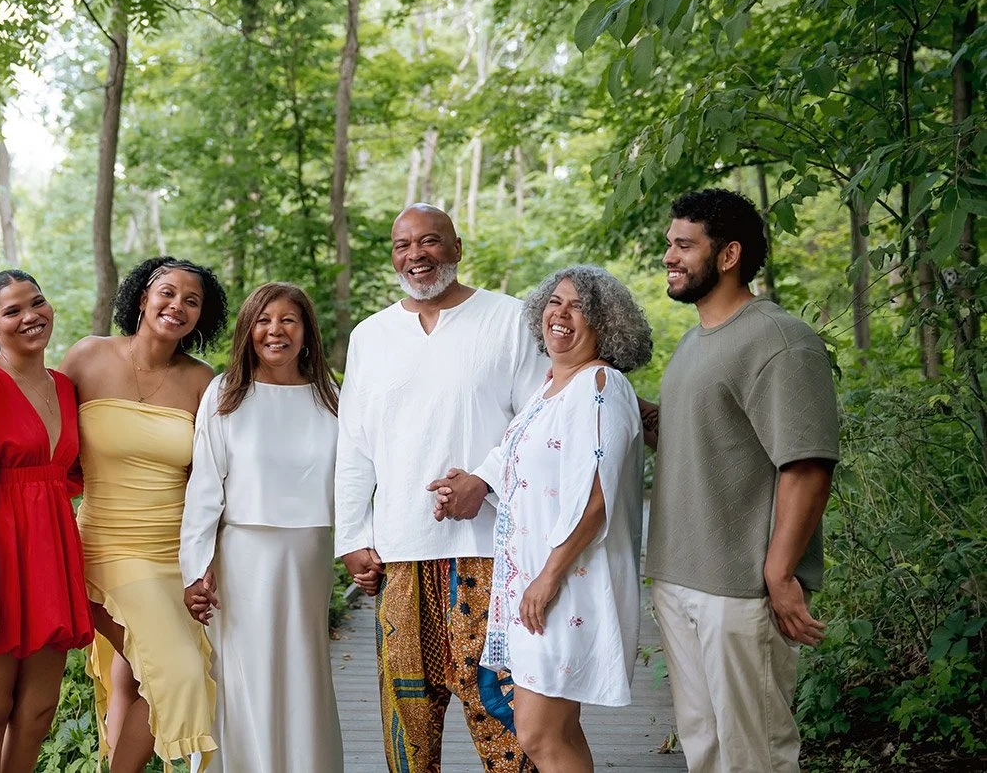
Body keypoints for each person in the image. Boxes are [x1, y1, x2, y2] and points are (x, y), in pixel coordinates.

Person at [336, 204, 549, 773]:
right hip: (402, 555)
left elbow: (540, 421)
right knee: (409, 725)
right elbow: (355, 446)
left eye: (429, 242)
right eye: (403, 245)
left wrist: (485, 479)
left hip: (491, 554)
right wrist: (353, 535)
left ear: (456, 246)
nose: (416, 255)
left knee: (502, 709)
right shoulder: (370, 337)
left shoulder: (510, 320)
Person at [645, 189, 840, 773]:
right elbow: (700, 439)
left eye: (684, 245)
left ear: (728, 255)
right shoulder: (695, 341)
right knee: (704, 748)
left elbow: (805, 465)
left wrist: (779, 573)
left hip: (739, 587)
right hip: (681, 575)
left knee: (754, 754)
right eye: (669, 244)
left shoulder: (778, 340)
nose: (669, 257)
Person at [463, 265, 652, 772]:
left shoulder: (599, 384)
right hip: (537, 580)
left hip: (569, 583)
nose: (560, 315)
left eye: (578, 307)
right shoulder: (549, 389)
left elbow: (597, 495)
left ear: (605, 325)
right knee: (556, 731)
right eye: (554, 302)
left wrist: (549, 577)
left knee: (540, 733)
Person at [61, 257, 227, 773]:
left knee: (136, 676)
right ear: (141, 298)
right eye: (167, 292)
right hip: (106, 548)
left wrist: (208, 563)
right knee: (174, 671)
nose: (177, 305)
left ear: (202, 317)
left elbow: (215, 481)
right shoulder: (87, 358)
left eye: (192, 300)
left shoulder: (204, 382)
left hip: (175, 555)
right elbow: (45, 441)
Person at [179, 282, 344, 773]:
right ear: (249, 330)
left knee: (302, 670)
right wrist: (195, 568)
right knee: (241, 674)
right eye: (264, 320)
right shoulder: (226, 394)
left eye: (288, 320)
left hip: (310, 550)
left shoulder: (333, 397)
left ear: (306, 331)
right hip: (243, 553)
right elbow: (205, 487)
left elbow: (356, 478)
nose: (276, 331)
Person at [0, 270, 96, 773]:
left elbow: (67, 475)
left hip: (51, 550)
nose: (31, 316)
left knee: (37, 712)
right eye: (12, 311)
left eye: (37, 303)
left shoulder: (67, 386)